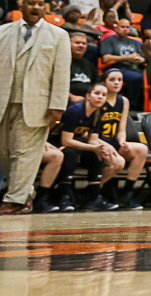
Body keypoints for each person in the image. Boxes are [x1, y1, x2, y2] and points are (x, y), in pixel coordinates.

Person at [0, 0, 71, 215]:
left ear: (45, 8)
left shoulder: (59, 35)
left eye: (40, 4)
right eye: (31, 3)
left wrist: (57, 105)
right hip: (2, 101)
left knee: (25, 153)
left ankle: (15, 200)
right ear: (22, 6)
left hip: (39, 105)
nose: (36, 7)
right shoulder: (1, 32)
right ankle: (25, 194)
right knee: (6, 154)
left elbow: (62, 73)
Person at [57, 82, 127, 212]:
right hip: (56, 143)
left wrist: (102, 148)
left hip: (74, 142)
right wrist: (93, 148)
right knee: (71, 153)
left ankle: (92, 198)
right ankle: (63, 197)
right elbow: (65, 140)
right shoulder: (75, 110)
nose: (100, 97)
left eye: (103, 95)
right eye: (97, 93)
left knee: (97, 154)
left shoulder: (97, 113)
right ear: (88, 96)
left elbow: (93, 139)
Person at [94, 69, 148, 207]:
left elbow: (121, 129)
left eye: (120, 80)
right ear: (104, 82)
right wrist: (104, 144)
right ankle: (93, 192)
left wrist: (122, 140)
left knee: (141, 149)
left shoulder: (123, 101)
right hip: (96, 142)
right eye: (112, 80)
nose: (116, 83)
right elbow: (87, 133)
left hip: (113, 142)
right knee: (118, 162)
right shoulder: (98, 99)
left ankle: (127, 193)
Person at [98, 17, 146, 110]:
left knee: (147, 76)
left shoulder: (135, 42)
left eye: (127, 27)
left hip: (133, 67)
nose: (125, 29)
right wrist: (128, 58)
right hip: (116, 67)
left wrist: (139, 59)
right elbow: (106, 58)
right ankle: (133, 106)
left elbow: (142, 58)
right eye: (122, 27)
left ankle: (143, 106)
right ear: (116, 28)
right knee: (137, 77)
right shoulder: (109, 40)